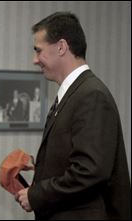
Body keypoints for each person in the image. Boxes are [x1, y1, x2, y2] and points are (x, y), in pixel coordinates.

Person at [15, 12, 131, 220]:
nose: (34, 60)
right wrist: (39, 164)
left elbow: (90, 171)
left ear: (61, 47)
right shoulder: (74, 93)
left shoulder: (91, 95)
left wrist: (37, 195)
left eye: (38, 51)